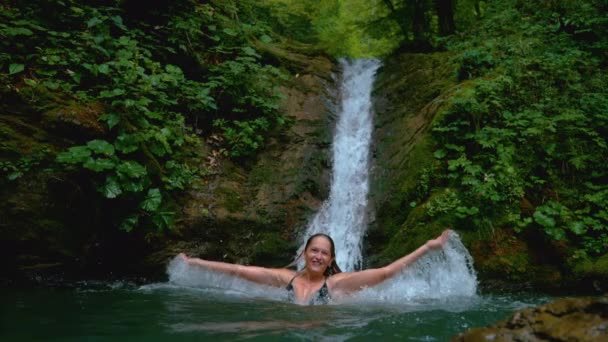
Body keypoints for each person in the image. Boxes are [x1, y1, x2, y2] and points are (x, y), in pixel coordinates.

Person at [179, 229, 451, 305]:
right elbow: (238, 271)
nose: (318, 256)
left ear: (331, 260)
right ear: (304, 253)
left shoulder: (337, 284)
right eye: (314, 251)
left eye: (324, 253)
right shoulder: (283, 278)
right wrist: (195, 263)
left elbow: (386, 273)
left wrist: (428, 247)